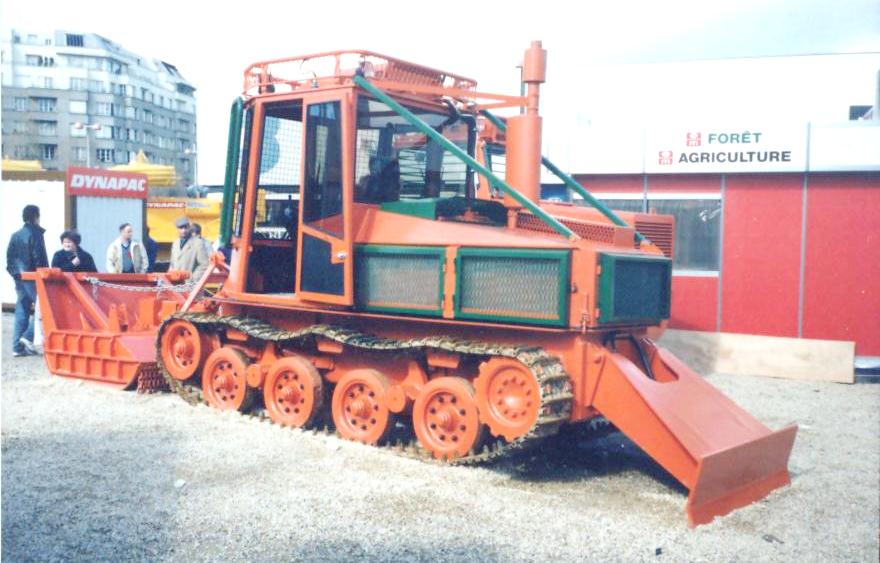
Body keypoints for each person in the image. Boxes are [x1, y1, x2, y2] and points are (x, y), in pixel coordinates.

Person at [5, 204, 48, 356]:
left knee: (22, 308)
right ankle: (27, 337)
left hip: (19, 277)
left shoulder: (15, 235)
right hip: (34, 277)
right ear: (36, 216)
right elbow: (39, 257)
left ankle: (17, 347)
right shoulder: (36, 234)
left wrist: (15, 274)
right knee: (44, 307)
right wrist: (44, 275)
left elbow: (9, 258)